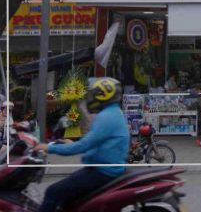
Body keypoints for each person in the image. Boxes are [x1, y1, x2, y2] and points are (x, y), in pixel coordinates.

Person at [34, 78, 130, 212]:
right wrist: (74, 142)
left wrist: (49, 148)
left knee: (52, 191)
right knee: (68, 199)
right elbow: (96, 141)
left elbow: (83, 145)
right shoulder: (114, 112)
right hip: (103, 168)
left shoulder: (106, 116)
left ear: (103, 96)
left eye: (92, 95)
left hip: (102, 172)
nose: (89, 99)